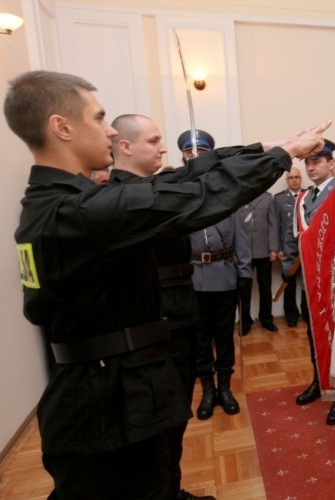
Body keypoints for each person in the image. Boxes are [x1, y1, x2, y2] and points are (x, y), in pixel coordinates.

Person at [6, 69, 327, 499]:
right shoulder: (78, 214)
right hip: (110, 407)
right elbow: (196, 196)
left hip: (117, 390)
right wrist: (279, 158)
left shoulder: (66, 204)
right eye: (99, 118)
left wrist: (264, 148)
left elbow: (173, 181)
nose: (108, 130)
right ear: (61, 127)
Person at [109, 114, 212, 500]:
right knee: (159, 422)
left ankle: (172, 487)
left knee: (177, 415)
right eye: (154, 140)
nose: (164, 147)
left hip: (181, 310)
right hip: (155, 318)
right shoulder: (119, 197)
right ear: (126, 146)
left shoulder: (155, 187)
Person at [283, 139, 335, 425]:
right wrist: (290, 268)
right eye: (307, 163)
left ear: (330, 163)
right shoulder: (303, 197)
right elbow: (296, 236)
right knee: (314, 332)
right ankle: (319, 379)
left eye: (317, 162)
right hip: (311, 278)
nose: (311, 167)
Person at [190, 214, 250, 419]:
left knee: (224, 338)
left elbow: (242, 242)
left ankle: (224, 389)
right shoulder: (188, 208)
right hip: (195, 281)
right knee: (201, 340)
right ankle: (208, 391)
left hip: (225, 279)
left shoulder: (232, 209)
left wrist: (245, 274)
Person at [239, 192, 279, 333]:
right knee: (244, 289)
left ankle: (266, 319)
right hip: (244, 252)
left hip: (263, 251)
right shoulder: (240, 195)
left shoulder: (268, 197)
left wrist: (273, 248)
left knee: (265, 288)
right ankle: (244, 322)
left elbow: (273, 224)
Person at [274, 167, 306, 327]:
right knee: (289, 283)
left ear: (301, 179)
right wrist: (279, 248)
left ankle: (307, 313)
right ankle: (291, 316)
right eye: (291, 177)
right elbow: (276, 226)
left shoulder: (308, 195)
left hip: (306, 249)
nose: (294, 180)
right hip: (287, 250)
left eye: (297, 177)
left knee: (307, 284)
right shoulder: (279, 199)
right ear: (287, 180)